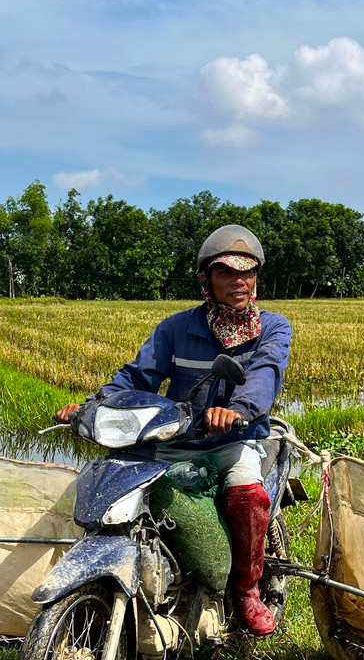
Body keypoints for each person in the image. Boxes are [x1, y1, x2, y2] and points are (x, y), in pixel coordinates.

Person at [55, 225, 292, 635]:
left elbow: (265, 375)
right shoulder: (176, 328)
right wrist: (94, 407)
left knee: (247, 493)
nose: (238, 282)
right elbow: (137, 376)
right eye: (226, 273)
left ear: (256, 277)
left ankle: (247, 589)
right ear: (206, 279)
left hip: (234, 439)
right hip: (175, 438)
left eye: (247, 273)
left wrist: (236, 410)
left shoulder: (272, 327)